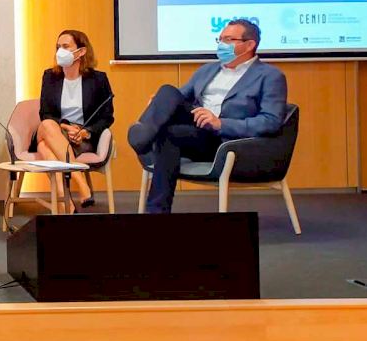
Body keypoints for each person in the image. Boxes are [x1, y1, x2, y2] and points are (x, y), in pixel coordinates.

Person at [128, 19, 287, 213]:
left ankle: (145, 144)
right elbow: (178, 97)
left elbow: (271, 121)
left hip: (227, 141)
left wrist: (220, 123)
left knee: (167, 135)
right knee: (167, 92)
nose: (222, 45)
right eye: (220, 39)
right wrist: (160, 102)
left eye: (228, 40)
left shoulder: (270, 76)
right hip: (198, 130)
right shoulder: (208, 70)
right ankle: (146, 136)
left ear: (249, 45)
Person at [34, 29, 114, 211]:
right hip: (56, 129)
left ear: (81, 51)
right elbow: (45, 113)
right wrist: (65, 127)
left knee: (43, 147)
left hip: (82, 138)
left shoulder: (98, 79)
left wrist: (85, 132)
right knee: (46, 125)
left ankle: (66, 204)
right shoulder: (50, 77)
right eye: (58, 47)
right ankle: (80, 181)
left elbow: (107, 116)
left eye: (65, 46)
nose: (60, 52)